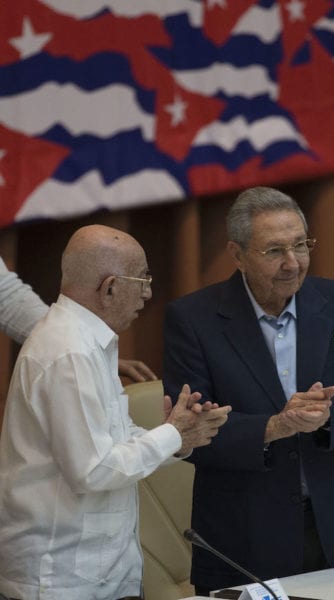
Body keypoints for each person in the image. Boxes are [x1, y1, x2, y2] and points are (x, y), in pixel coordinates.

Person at [163, 186, 334, 595]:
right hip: (246, 534)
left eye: (301, 245)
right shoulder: (193, 319)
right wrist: (272, 427)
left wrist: (327, 417)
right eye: (274, 251)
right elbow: (190, 434)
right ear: (237, 255)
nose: (293, 263)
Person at [0, 225, 231, 600]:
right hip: (61, 581)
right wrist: (173, 434)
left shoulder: (89, 342)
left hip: (101, 575)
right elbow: (93, 469)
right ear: (109, 287)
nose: (148, 292)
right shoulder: (69, 353)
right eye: (143, 279)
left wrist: (176, 437)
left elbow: (114, 443)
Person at [0, 255, 157, 382]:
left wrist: (89, 352)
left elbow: (7, 296)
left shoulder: (75, 356)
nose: (147, 294)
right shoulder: (70, 361)